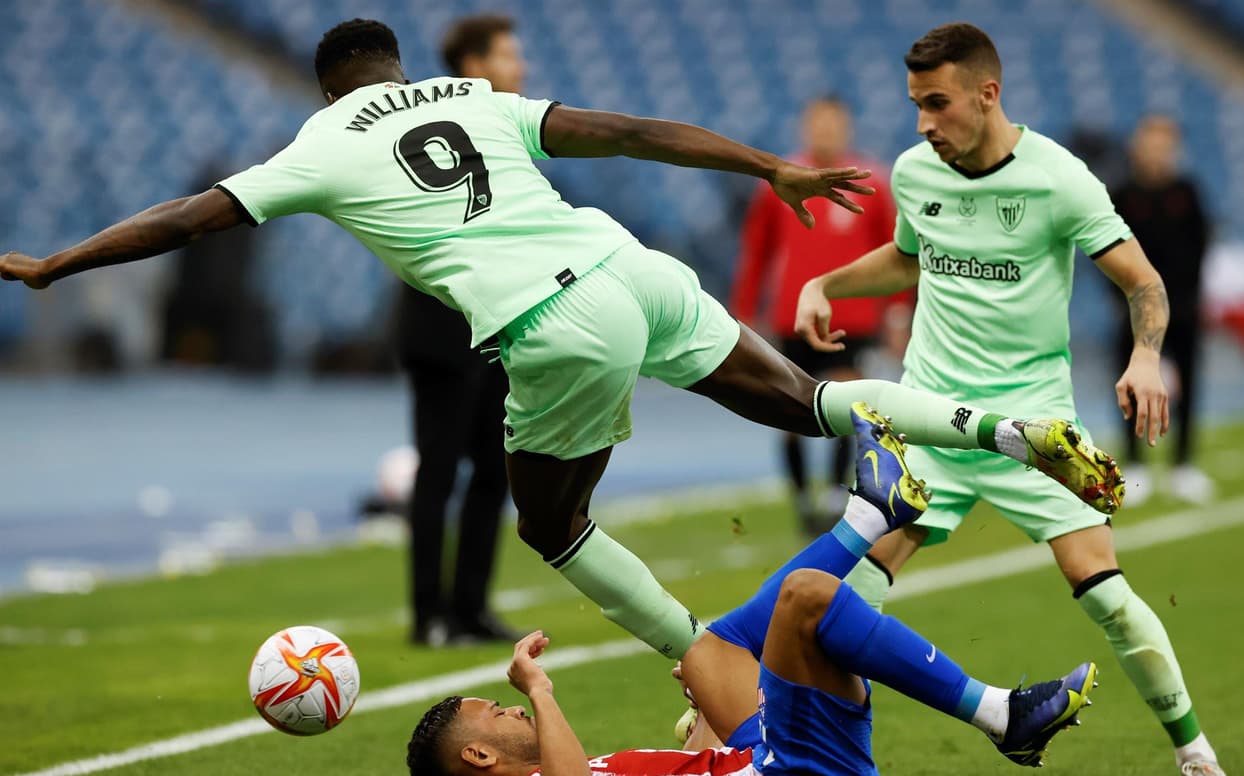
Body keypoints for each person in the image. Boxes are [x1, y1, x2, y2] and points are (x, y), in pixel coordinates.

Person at [1, 19, 1121, 677]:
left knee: (551, 520)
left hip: (550, 321)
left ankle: (698, 656)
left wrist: (57, 264)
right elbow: (628, 131)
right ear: (398, 68)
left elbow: (189, 216)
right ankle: (995, 426)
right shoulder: (473, 97)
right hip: (624, 263)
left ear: (334, 88)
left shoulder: (317, 142)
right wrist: (764, 168)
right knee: (805, 398)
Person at [794, 23, 1241, 776]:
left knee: (1104, 593)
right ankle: (806, 756)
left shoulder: (1060, 180)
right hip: (930, 418)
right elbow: (909, 255)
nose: (924, 123)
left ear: (987, 94)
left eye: (938, 104)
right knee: (844, 599)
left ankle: (1196, 752)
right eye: (916, 107)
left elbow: (1145, 283)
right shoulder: (914, 170)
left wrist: (1143, 357)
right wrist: (827, 284)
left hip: (1036, 434)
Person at [405, 407, 1098, 776]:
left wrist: (704, 708)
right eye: (494, 711)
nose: (510, 707)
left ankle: (871, 510)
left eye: (505, 700)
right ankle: (999, 712)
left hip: (765, 770)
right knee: (805, 597)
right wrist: (541, 688)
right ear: (479, 759)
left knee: (710, 649)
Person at [398, 14, 528, 646]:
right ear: (474, 66)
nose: (520, 68)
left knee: (492, 471)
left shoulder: (504, 124)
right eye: (508, 56)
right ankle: (428, 616)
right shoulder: (437, 130)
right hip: (442, 325)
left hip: (493, 326)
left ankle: (470, 607)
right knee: (439, 471)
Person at [730, 96, 904, 534]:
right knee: (789, 411)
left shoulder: (871, 183)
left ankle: (831, 491)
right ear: (804, 128)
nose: (825, 132)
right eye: (817, 124)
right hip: (792, 318)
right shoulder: (779, 183)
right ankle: (801, 495)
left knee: (846, 406)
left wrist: (898, 311)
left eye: (833, 124)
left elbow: (896, 252)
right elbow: (757, 253)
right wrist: (745, 313)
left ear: (847, 128)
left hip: (853, 317)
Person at [1110, 116, 1212, 507]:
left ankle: (1183, 464)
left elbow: (1200, 248)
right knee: (1128, 388)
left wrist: (1183, 300)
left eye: (1164, 143)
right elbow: (1107, 250)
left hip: (1183, 310)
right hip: (1132, 312)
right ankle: (1134, 465)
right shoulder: (1123, 193)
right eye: (1150, 141)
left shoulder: (1187, 192)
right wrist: (1124, 301)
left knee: (1188, 385)